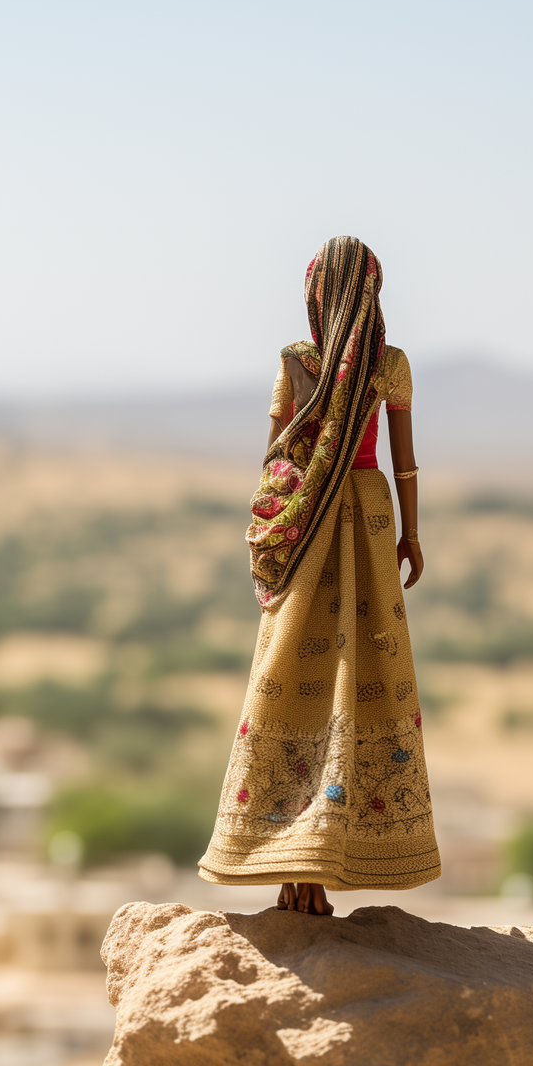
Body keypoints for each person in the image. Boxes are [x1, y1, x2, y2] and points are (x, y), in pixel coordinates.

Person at [197, 235, 441, 914]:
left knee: (294, 673)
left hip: (307, 520)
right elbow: (405, 464)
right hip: (365, 519)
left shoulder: (297, 363)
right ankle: (318, 867)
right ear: (372, 291)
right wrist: (412, 534)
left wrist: (279, 528)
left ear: (314, 295)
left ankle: (294, 870)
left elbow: (276, 458)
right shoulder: (388, 364)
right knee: (361, 671)